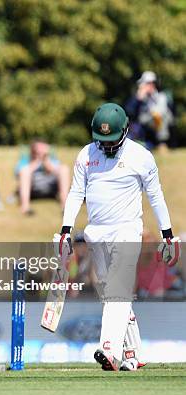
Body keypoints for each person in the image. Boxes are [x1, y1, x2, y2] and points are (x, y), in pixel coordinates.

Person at [56, 102, 180, 371]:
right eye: (103, 141)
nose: (107, 146)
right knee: (110, 294)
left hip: (127, 230)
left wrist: (167, 234)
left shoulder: (141, 156)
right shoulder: (86, 155)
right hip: (96, 233)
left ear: (125, 131)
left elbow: (155, 196)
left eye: (112, 140)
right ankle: (133, 355)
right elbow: (77, 193)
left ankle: (109, 348)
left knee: (117, 291)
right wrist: (66, 230)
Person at [16, 140, 69, 215]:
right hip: (33, 189)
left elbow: (57, 171)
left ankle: (65, 206)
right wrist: (36, 162)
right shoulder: (25, 161)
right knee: (25, 172)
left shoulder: (53, 161)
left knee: (64, 169)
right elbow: (18, 174)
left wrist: (46, 163)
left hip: (51, 188)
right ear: (33, 151)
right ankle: (25, 207)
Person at [125, 71, 174, 150]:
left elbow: (165, 113)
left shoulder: (161, 96)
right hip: (140, 128)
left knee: (160, 115)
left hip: (155, 127)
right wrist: (138, 98)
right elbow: (129, 112)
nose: (150, 86)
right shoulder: (138, 97)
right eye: (147, 83)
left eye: (151, 83)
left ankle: (162, 143)